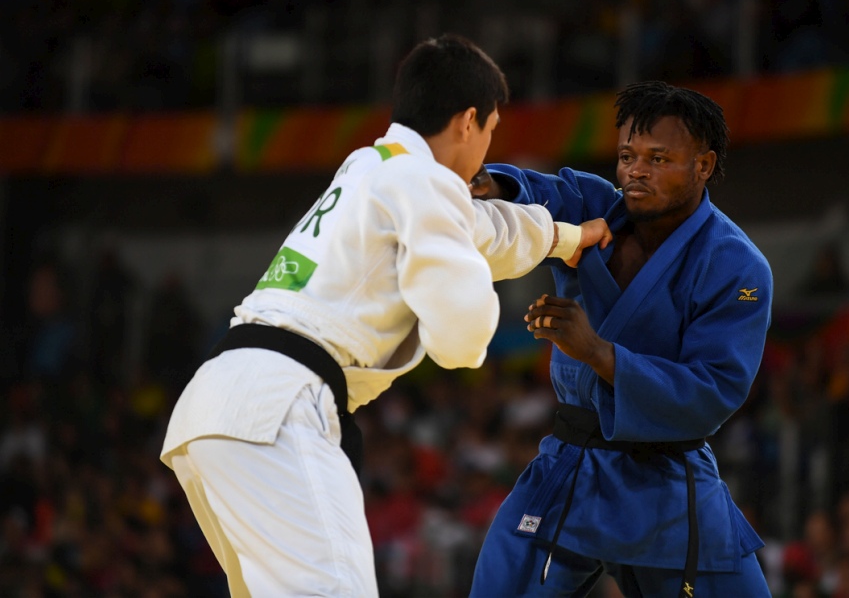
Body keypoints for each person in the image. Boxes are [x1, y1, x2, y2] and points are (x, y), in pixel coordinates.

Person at [159, 33, 611, 597]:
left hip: (220, 406)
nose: (489, 144)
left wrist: (567, 238)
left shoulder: (373, 166)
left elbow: (483, 229)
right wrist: (472, 321)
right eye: (492, 129)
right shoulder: (422, 183)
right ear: (469, 121)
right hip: (277, 409)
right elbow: (462, 339)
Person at [469, 80, 773, 597]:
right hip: (569, 464)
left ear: (703, 165)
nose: (636, 170)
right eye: (628, 155)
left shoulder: (737, 265)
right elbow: (544, 192)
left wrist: (598, 353)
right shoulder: (595, 208)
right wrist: (492, 186)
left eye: (659, 159)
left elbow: (712, 392)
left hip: (667, 479)